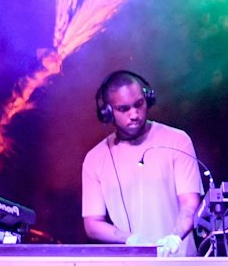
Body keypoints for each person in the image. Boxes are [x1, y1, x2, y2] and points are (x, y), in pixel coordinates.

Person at [81, 70, 203, 256]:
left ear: (148, 100)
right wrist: (130, 239)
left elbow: (190, 204)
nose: (134, 114)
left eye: (139, 104)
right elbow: (92, 224)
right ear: (108, 112)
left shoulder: (178, 140)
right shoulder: (95, 158)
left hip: (182, 263)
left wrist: (175, 237)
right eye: (124, 109)